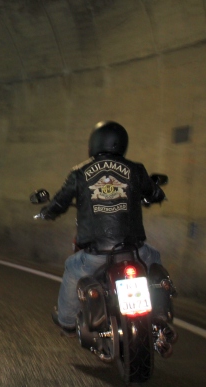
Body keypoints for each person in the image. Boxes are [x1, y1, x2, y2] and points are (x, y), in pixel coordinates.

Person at [37, 121, 168, 336]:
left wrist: (47, 212)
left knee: (72, 268)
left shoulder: (80, 172)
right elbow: (155, 193)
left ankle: (67, 321)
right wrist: (156, 195)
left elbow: (60, 201)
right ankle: (160, 311)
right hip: (134, 252)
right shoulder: (135, 169)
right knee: (154, 257)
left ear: (94, 143)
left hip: (97, 254)